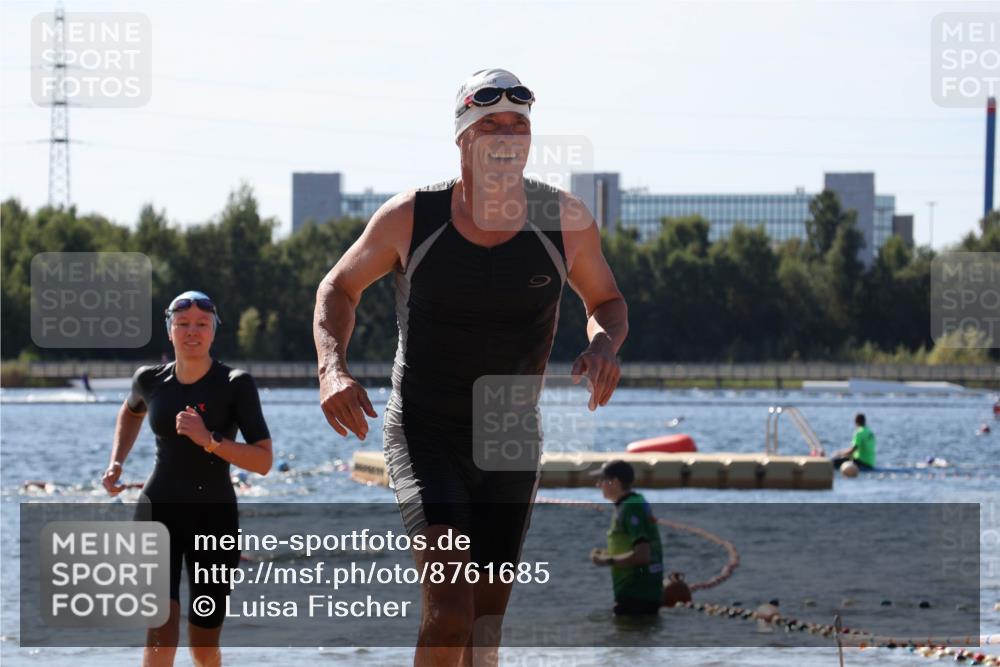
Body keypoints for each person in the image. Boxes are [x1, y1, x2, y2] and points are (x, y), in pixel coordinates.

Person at [314, 68, 628, 666]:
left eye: (518, 125)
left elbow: (606, 302)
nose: (506, 136)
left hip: (509, 434)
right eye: (489, 125)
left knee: (485, 625)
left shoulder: (563, 220)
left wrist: (604, 346)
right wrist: (333, 369)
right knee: (450, 610)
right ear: (462, 137)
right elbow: (339, 287)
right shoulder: (413, 216)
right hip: (425, 429)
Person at [102, 290, 273, 667]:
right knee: (161, 629)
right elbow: (130, 413)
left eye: (201, 324)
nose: (191, 331)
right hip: (156, 510)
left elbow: (263, 460)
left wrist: (209, 440)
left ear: (214, 331)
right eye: (182, 324)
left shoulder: (235, 383)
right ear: (169, 330)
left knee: (203, 644)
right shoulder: (149, 380)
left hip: (213, 516)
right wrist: (117, 461)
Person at [589, 460, 664, 617]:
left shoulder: (630, 507)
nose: (598, 485)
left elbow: (642, 555)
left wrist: (606, 561)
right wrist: (608, 554)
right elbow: (634, 545)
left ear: (614, 482)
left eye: (601, 480)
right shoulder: (635, 502)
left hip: (636, 594)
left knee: (625, 636)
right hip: (643, 593)